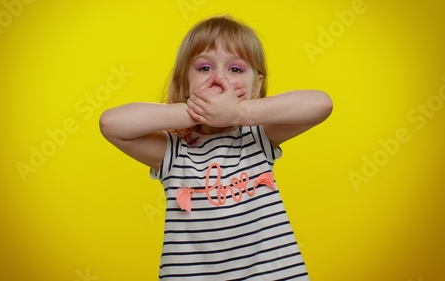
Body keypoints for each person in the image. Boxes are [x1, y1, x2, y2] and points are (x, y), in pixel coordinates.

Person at [100, 15, 332, 280]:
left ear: (255, 86)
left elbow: (320, 105)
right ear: (184, 81)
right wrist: (197, 112)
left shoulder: (257, 137)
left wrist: (238, 114)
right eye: (204, 68)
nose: (219, 78)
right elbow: (112, 123)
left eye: (235, 69)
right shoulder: (175, 153)